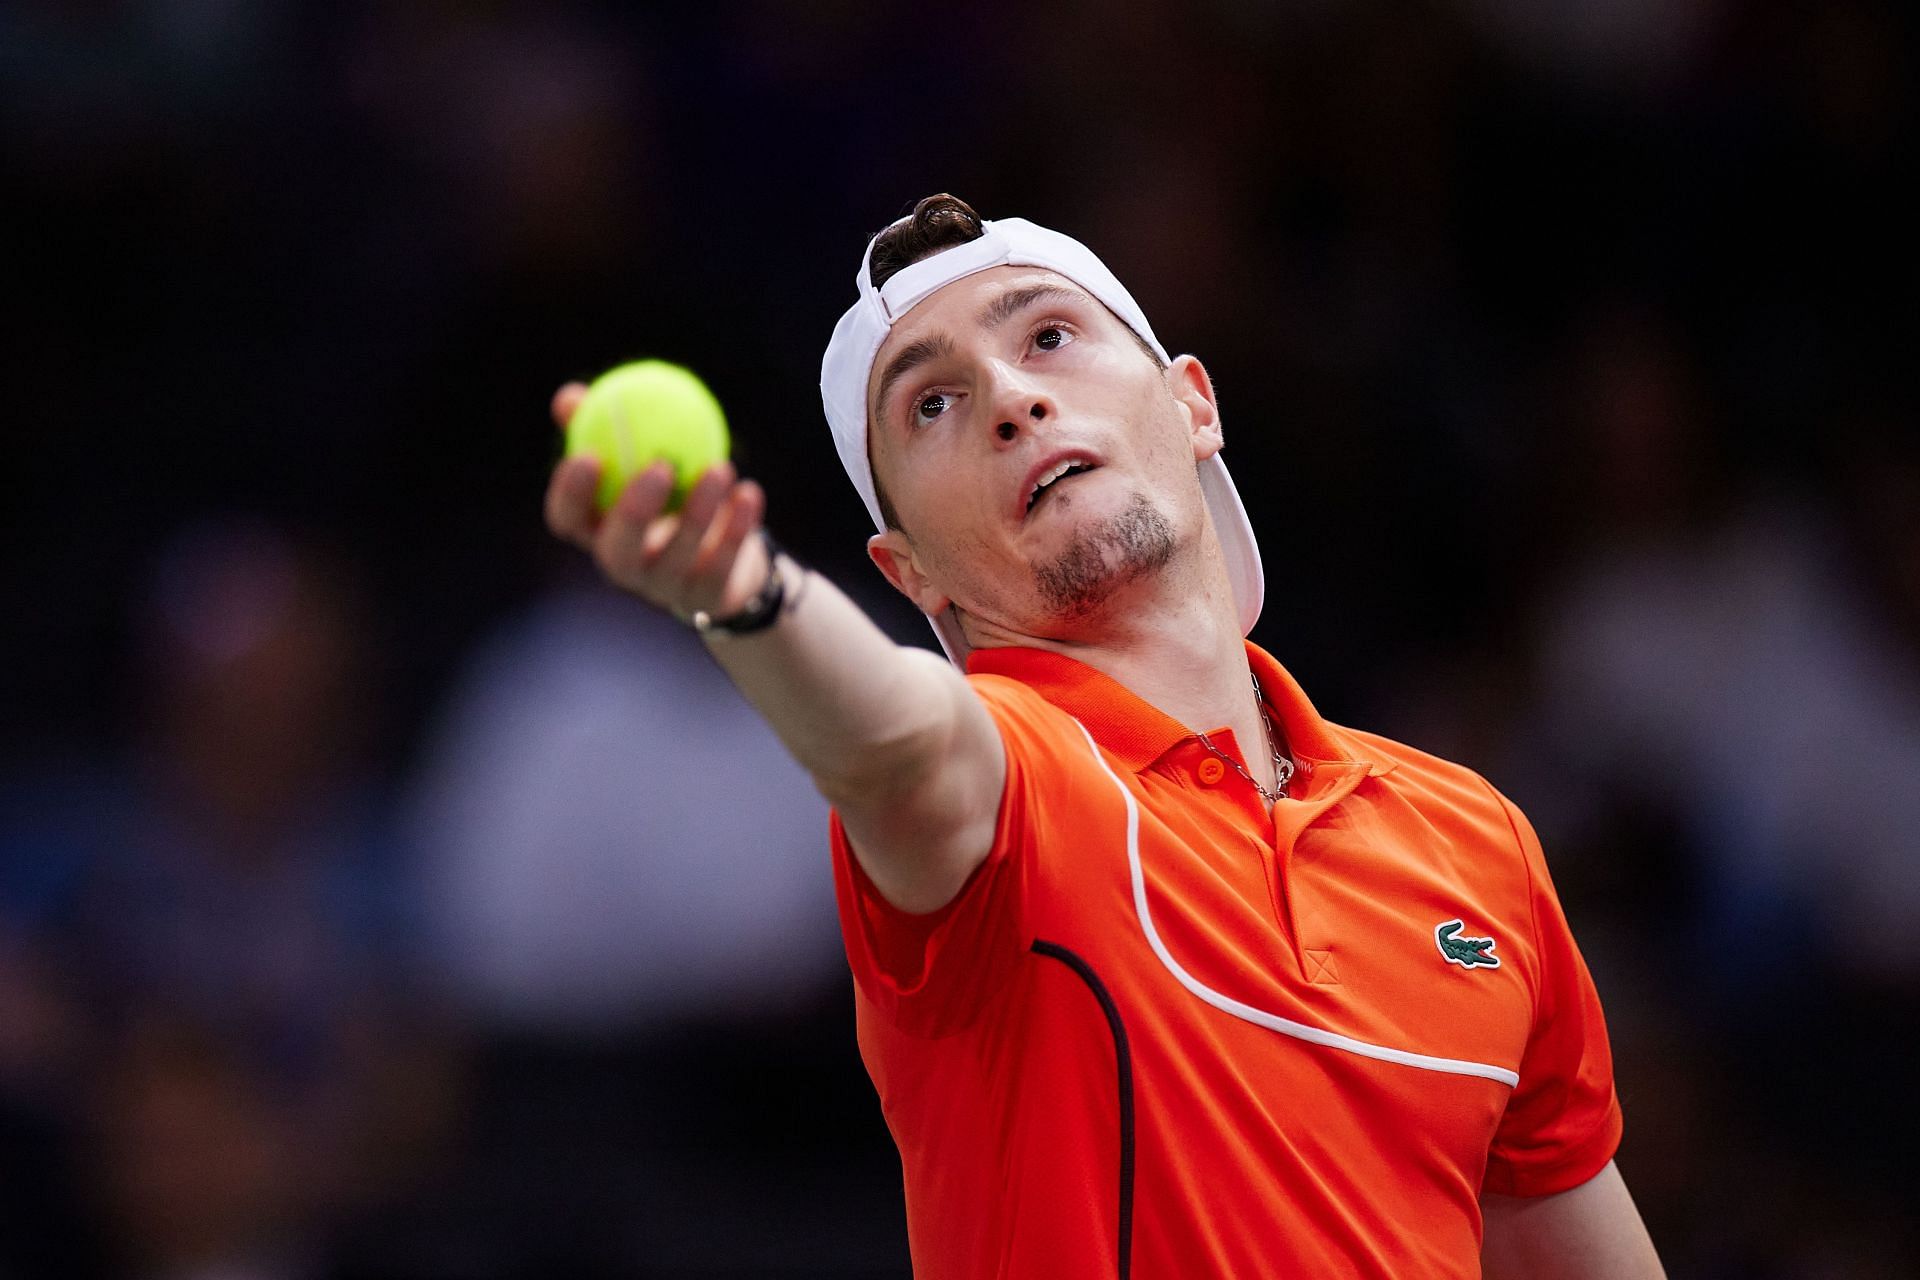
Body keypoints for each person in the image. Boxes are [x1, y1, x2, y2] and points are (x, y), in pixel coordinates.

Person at [541, 194, 1665, 1279]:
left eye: (1049, 333)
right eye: (929, 403)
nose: (1009, 397)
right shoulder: (1016, 782)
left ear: (1192, 403)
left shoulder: (1475, 841)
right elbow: (901, 750)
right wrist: (744, 595)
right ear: (909, 570)